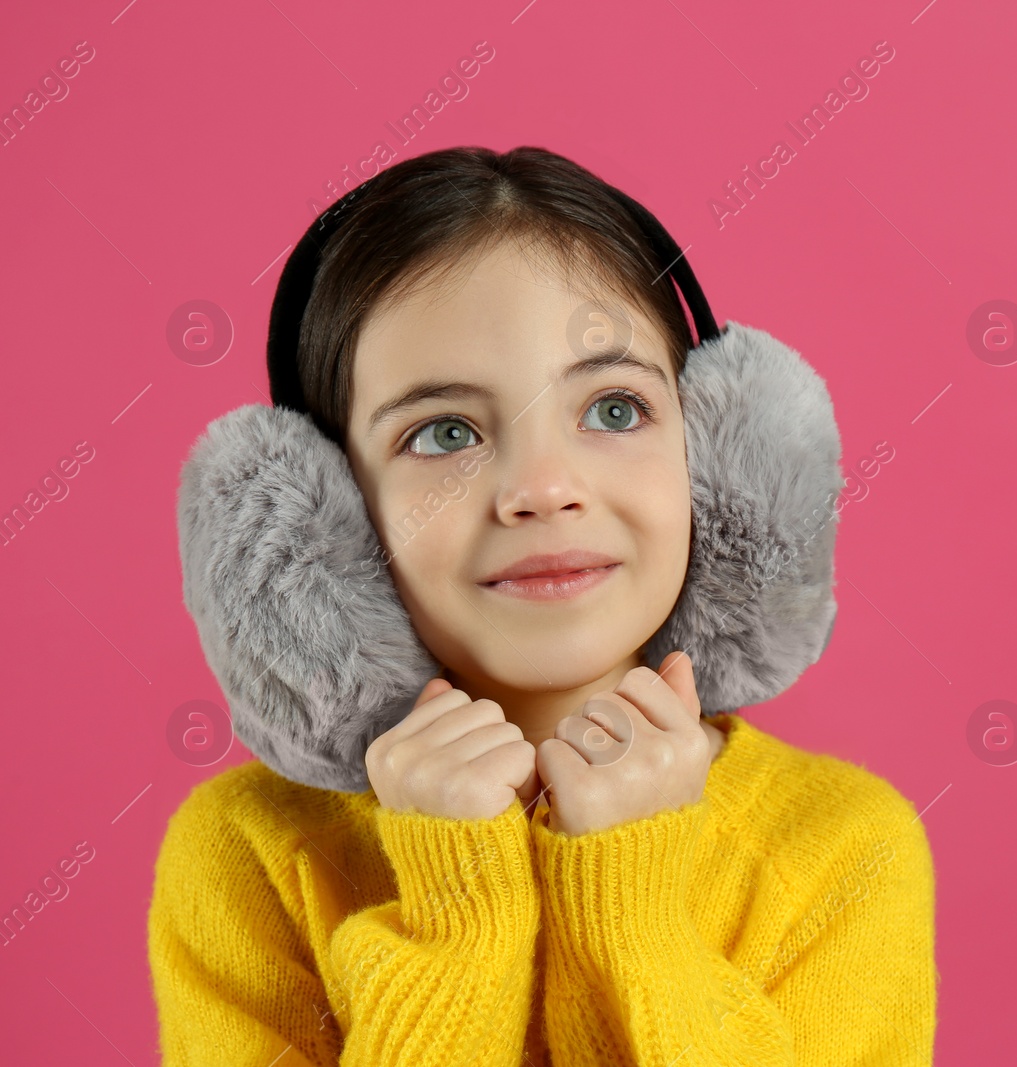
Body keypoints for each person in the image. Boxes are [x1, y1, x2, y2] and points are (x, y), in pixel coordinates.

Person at [146, 145, 938, 1066]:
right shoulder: (249, 855)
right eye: (445, 433)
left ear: (722, 466)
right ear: (324, 526)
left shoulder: (845, 848)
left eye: (612, 409)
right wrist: (459, 917)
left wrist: (630, 907)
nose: (543, 488)